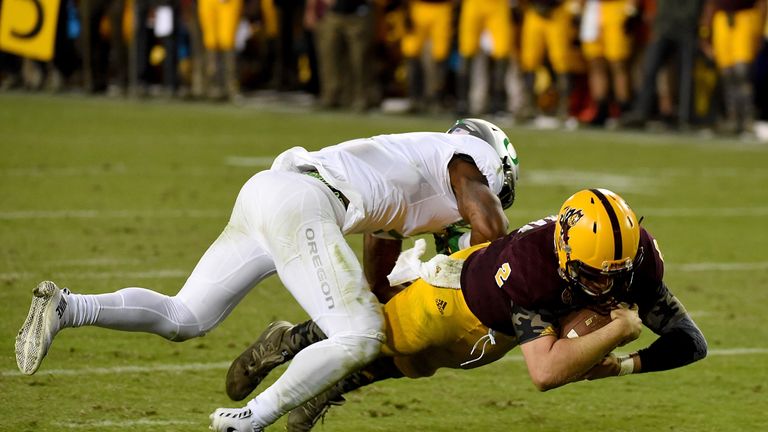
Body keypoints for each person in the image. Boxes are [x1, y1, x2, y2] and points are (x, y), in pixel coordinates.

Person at [14, 118, 519, 431]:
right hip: (305, 203)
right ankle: (251, 419)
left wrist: (397, 285)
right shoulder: (472, 158)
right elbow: (489, 224)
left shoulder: (415, 169)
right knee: (362, 334)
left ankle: (67, 305)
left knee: (184, 316)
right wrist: (473, 268)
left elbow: (379, 258)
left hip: (271, 190)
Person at [225, 188, 708, 431]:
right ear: (562, 249)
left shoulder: (632, 262)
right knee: (379, 333)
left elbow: (691, 343)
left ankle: (328, 386)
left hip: (497, 325)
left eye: (616, 273)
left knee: (413, 366)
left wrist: (622, 367)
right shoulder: (533, 267)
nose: (608, 284)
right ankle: (287, 340)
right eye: (595, 273)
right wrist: (619, 331)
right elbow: (544, 373)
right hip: (455, 297)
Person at [700, 0, 767, 135]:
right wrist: (705, 29)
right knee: (727, 73)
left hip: (745, 17)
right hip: (722, 18)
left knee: (742, 72)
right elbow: (710, 3)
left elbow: (762, 2)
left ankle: (747, 118)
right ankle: (733, 118)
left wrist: (760, 27)